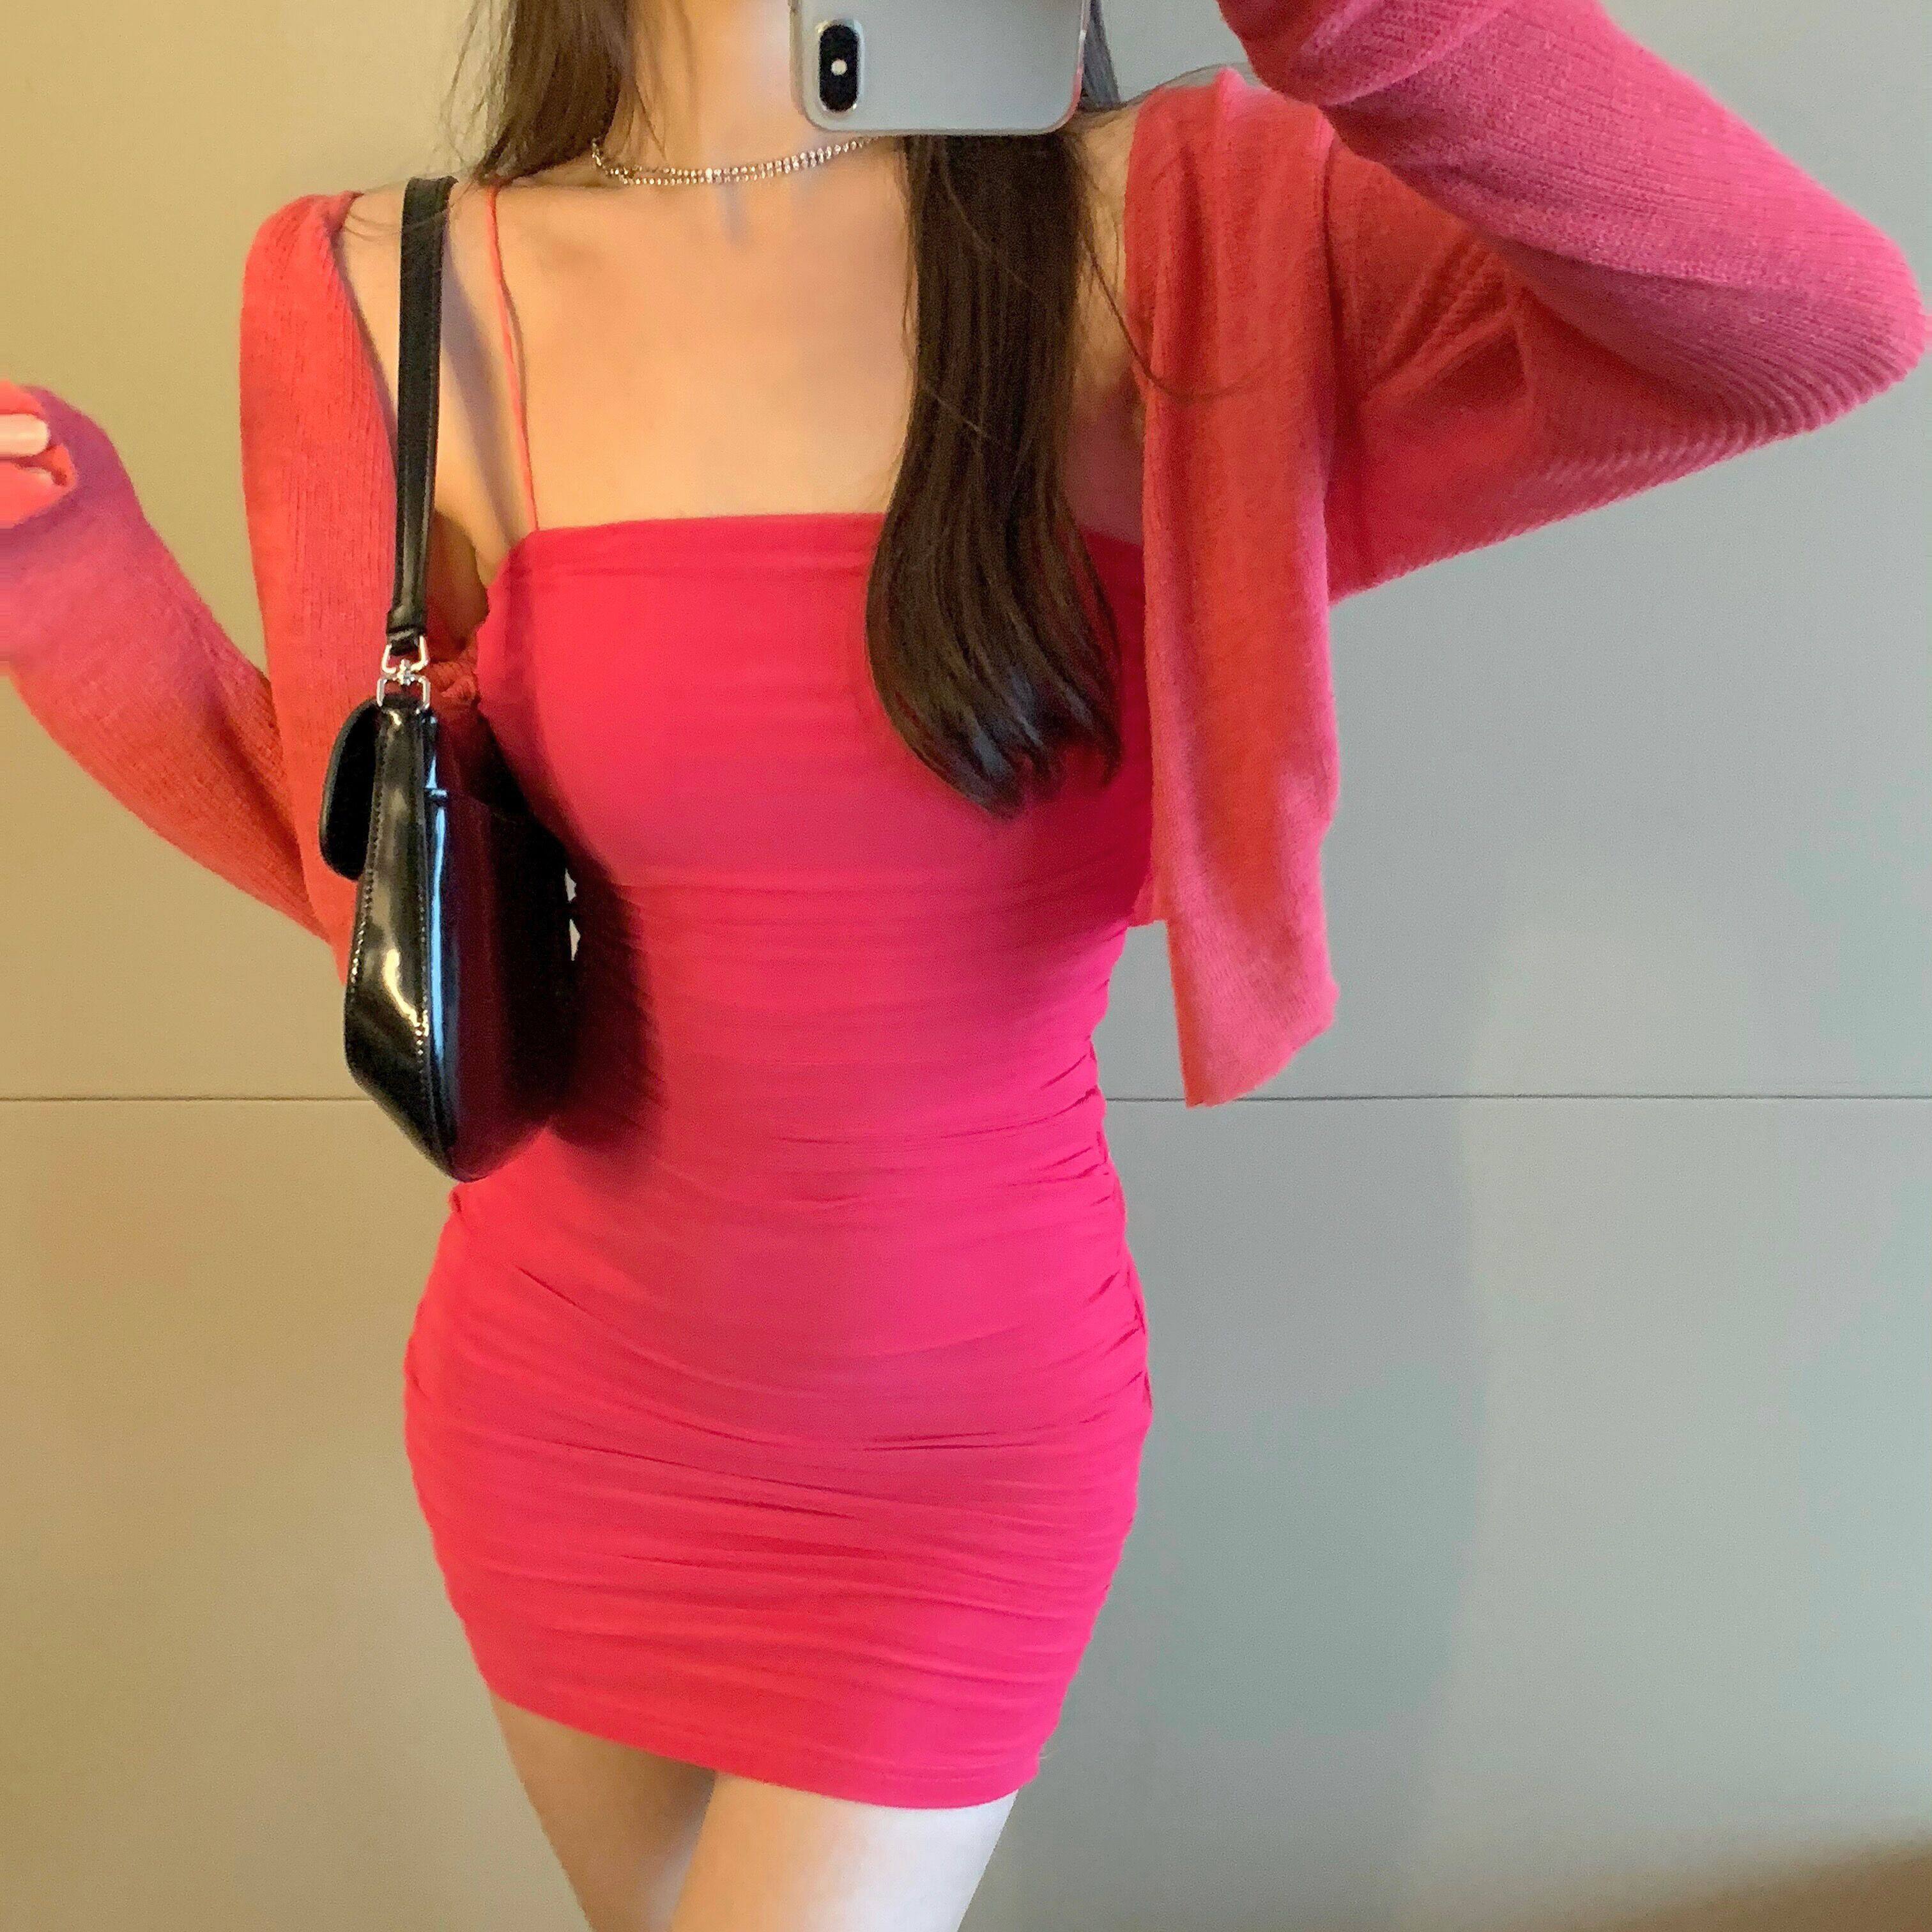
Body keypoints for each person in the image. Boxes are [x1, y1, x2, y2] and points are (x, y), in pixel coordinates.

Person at [3, 2, 1922, 1928]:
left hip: (959, 1458)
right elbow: (376, 880)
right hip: (559, 1408)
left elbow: (1808, 326)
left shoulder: (1189, 236)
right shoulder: (389, 284)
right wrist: (65, 581)